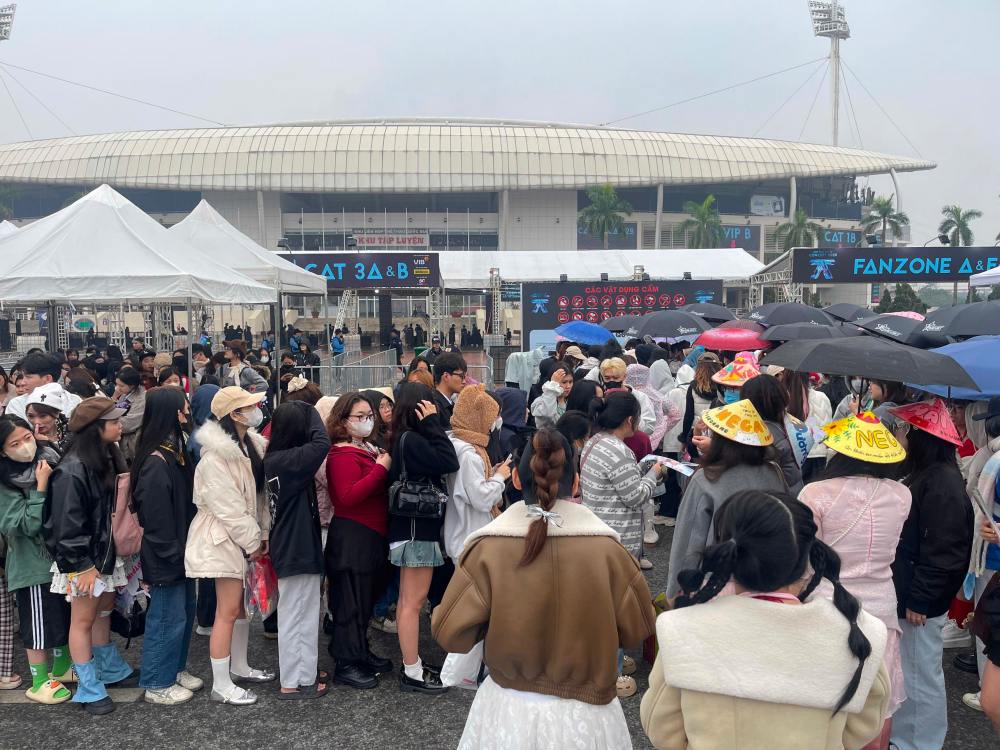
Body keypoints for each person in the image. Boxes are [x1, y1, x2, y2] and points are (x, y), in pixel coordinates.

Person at [433, 428, 656, 750]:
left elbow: (449, 633)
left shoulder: (488, 548)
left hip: (508, 710)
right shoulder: (609, 551)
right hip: (588, 714)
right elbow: (639, 628)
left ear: (517, 480)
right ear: (576, 482)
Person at [641, 490, 890, 750]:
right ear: (806, 556)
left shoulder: (684, 630)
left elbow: (662, 729)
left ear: (729, 555)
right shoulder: (857, 634)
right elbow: (863, 726)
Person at [799, 411, 910, 746]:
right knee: (877, 696)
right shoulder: (901, 495)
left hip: (828, 604)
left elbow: (806, 559)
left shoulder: (815, 493)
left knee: (826, 694)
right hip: (883, 606)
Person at [888, 398, 974, 750]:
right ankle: (906, 738)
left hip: (920, 601)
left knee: (920, 675)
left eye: (906, 431)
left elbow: (945, 550)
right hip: (913, 594)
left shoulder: (941, 483)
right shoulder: (930, 476)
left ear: (923, 438)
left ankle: (921, 743)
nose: (901, 438)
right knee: (909, 671)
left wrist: (922, 597)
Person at [44, 396, 135, 716]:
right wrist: (81, 566)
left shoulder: (101, 458)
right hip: (84, 559)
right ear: (96, 428)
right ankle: (88, 686)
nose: (120, 424)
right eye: (114, 421)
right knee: (83, 620)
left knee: (101, 614)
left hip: (102, 555)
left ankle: (109, 670)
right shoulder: (72, 470)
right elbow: (65, 525)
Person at [184, 387, 274, 706]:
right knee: (226, 610)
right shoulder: (215, 457)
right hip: (222, 538)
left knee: (239, 609)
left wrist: (261, 534)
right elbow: (229, 507)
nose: (258, 408)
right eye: (250, 405)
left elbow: (258, 498)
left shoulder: (252, 445)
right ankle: (221, 684)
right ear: (234, 414)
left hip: (239, 538)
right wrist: (252, 539)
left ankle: (239, 666)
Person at [666, 399, 787, 600]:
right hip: (769, 579)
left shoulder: (706, 478)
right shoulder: (774, 472)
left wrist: (676, 591)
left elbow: (687, 543)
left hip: (717, 583)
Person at [387, 382, 459, 693]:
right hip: (417, 532)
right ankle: (412, 671)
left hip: (409, 530)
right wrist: (432, 424)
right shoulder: (413, 439)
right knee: (412, 604)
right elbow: (448, 460)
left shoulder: (402, 438)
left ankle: (412, 664)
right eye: (428, 406)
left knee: (408, 602)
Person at [132, 387, 202, 705]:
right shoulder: (156, 460)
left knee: (183, 614)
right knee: (166, 617)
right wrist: (174, 553)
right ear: (172, 412)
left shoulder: (176, 449)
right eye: (184, 407)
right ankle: (157, 681)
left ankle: (174, 669)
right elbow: (156, 519)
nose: (187, 412)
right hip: (167, 553)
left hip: (181, 550)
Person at [0, 415, 72, 705]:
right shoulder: (6, 481)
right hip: (31, 566)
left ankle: (63, 668)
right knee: (38, 627)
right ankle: (39, 680)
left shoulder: (49, 456)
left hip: (57, 561)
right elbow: (23, 525)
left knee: (61, 619)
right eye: (14, 444)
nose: (24, 447)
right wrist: (40, 487)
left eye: (27, 438)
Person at [325, 393, 394, 689]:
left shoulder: (366, 448)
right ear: (343, 421)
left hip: (370, 534)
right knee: (350, 602)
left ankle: (360, 651)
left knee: (364, 599)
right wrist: (381, 468)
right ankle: (346, 661)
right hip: (353, 534)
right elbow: (347, 496)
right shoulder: (340, 455)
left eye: (370, 415)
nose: (367, 420)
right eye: (360, 416)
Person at [263, 400, 331, 699]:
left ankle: (304, 673)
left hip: (289, 543)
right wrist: (311, 410)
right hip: (297, 545)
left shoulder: (276, 457)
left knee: (299, 611)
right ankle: (294, 681)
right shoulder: (289, 460)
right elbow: (322, 442)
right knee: (298, 613)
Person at [444, 385, 511, 563]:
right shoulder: (469, 455)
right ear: (478, 417)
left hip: (466, 538)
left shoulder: (457, 444)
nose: (494, 423)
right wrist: (500, 476)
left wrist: (492, 473)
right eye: (491, 417)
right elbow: (481, 498)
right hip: (469, 541)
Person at [963, 395, 1000, 713]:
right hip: (990, 554)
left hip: (991, 557)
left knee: (988, 625)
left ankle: (988, 690)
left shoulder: (996, 461)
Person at [741, 373, 804, 494]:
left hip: (777, 499)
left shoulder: (761, 436)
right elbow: (818, 434)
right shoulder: (789, 423)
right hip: (795, 491)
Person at [6, 353, 82, 424]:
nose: (22, 383)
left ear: (48, 379)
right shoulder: (16, 404)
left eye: (28, 377)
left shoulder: (74, 401)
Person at [679, 352, 722, 458]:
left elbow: (688, 416)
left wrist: (684, 439)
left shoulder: (693, 388)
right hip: (719, 435)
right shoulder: (724, 388)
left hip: (698, 434)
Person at [24, 383, 73, 455]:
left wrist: (48, 444)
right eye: (31, 416)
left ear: (57, 413)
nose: (36, 422)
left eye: (43, 416)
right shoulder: (26, 438)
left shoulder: (72, 430)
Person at [112, 367, 146, 464]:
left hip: (133, 443)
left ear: (132, 385)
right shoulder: (125, 395)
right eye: (117, 384)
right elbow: (117, 410)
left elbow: (129, 424)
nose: (118, 388)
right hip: (123, 442)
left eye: (121, 385)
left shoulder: (141, 399)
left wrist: (111, 422)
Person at [530, 363, 573, 429]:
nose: (568, 386)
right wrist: (552, 388)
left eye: (570, 382)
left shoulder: (571, 400)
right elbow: (546, 414)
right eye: (564, 382)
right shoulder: (542, 401)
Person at [432, 352, 467, 429]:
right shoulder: (434, 406)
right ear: (446, 376)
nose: (464, 381)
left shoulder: (448, 403)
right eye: (461, 376)